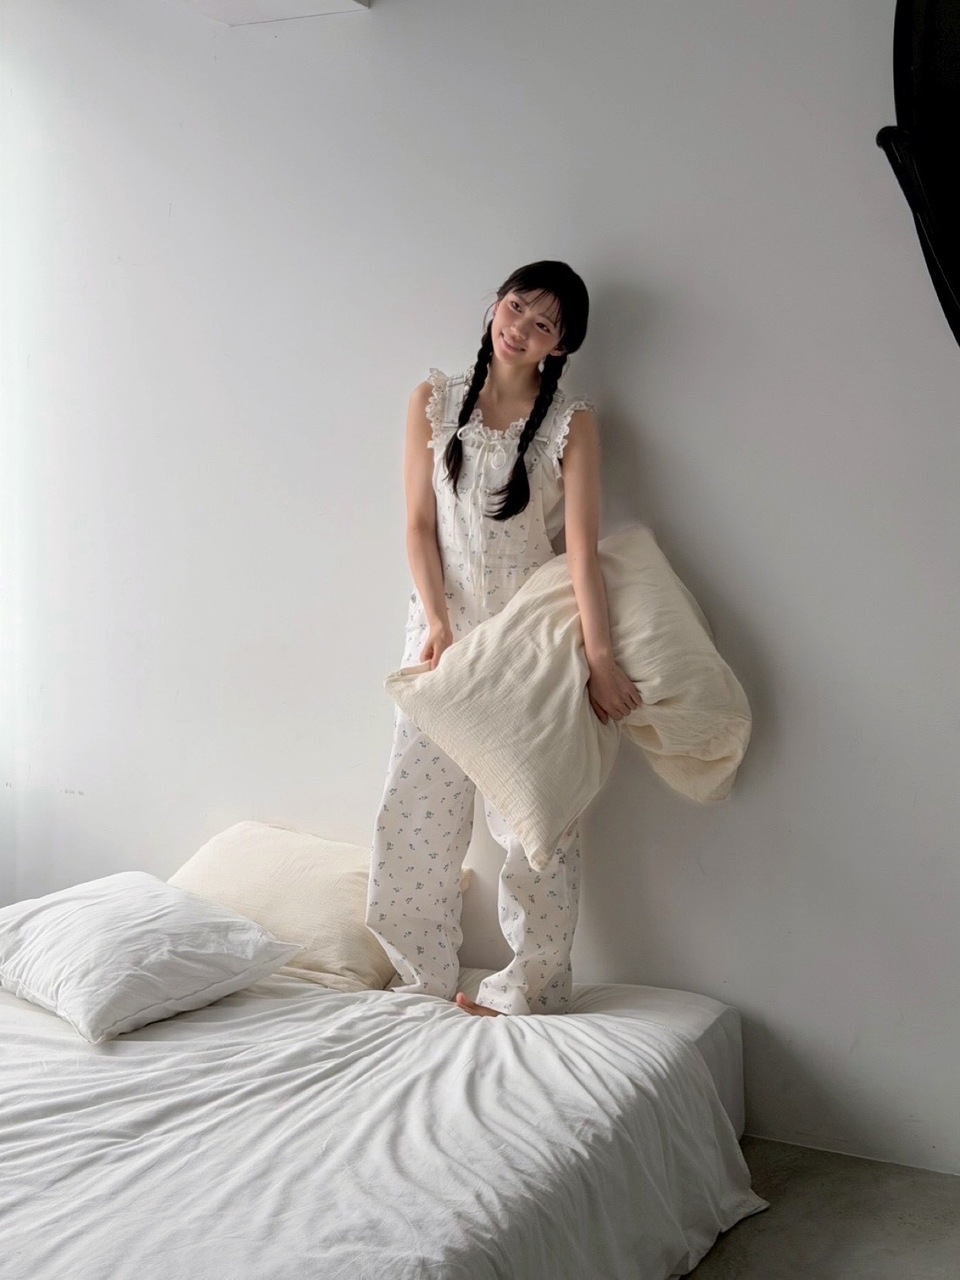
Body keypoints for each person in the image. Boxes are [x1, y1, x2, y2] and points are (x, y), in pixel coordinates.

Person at [365, 260, 640, 1018]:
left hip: (528, 643)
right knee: (417, 804)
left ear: (561, 345)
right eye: (516, 307)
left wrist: (600, 659)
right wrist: (439, 623)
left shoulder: (572, 424)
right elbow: (418, 526)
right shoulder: (434, 401)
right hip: (440, 637)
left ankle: (531, 987)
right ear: (496, 304)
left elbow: (581, 554)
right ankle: (418, 977)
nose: (520, 328)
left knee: (534, 820)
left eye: (543, 324)